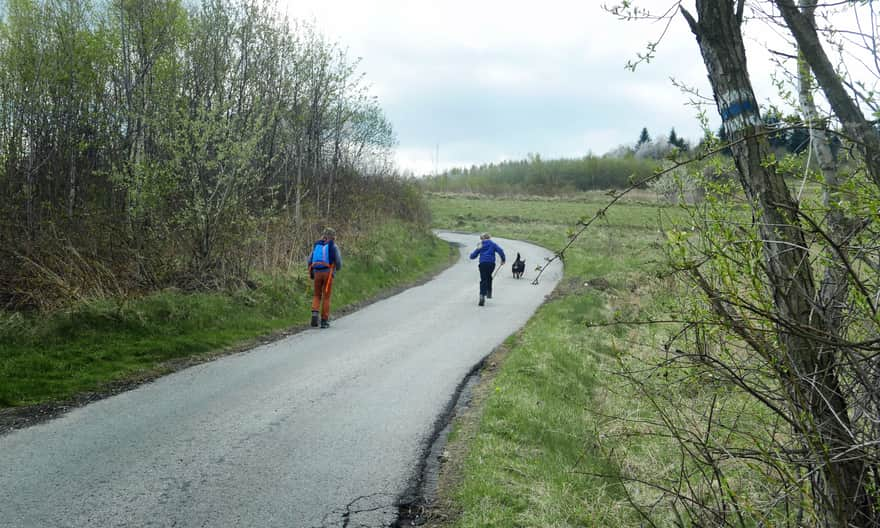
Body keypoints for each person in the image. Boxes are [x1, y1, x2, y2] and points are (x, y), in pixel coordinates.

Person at [308, 228, 343, 328]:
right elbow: (338, 261)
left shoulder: (317, 245)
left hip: (317, 272)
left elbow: (309, 259)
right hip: (328, 273)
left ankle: (315, 314)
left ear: (323, 235)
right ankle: (324, 321)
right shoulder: (333, 246)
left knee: (316, 295)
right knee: (326, 297)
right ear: (333, 236)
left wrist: (311, 271)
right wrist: (337, 269)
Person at [469, 233, 505, 306]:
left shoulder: (481, 244)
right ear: (489, 238)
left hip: (482, 264)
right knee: (489, 277)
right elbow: (500, 250)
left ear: (482, 238)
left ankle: (482, 295)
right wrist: (503, 259)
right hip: (491, 264)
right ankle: (489, 291)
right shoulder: (493, 244)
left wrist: (471, 255)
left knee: (483, 279)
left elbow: (473, 256)